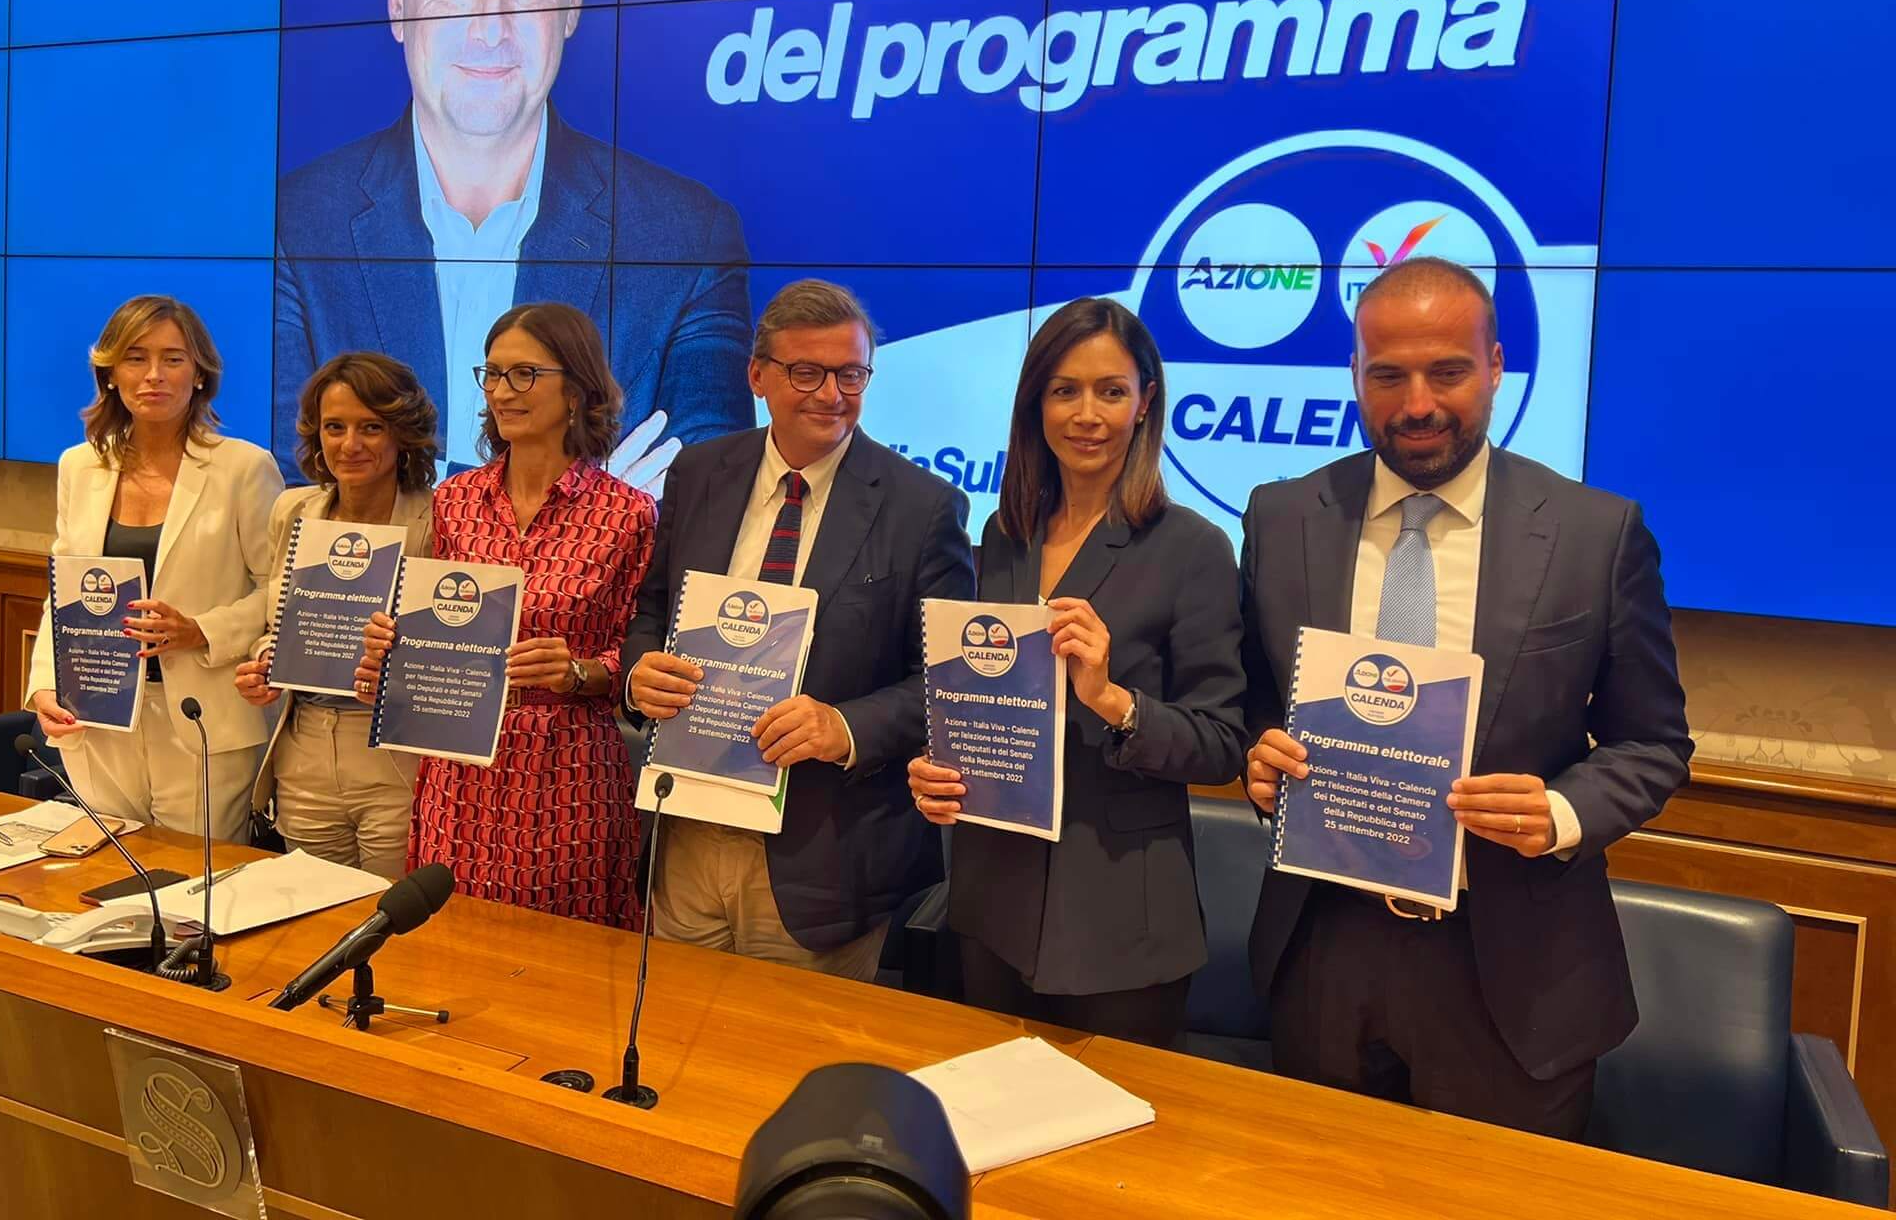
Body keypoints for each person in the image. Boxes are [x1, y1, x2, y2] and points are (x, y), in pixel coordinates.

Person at [1240, 256, 1691, 1138]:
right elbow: (1260, 699)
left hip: (1515, 968)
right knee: (1316, 1188)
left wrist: (1560, 811)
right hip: (1324, 950)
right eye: (1388, 375)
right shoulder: (1282, 516)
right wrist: (1260, 757)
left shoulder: (1595, 533)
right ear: (1355, 375)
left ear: (1494, 366)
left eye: (1446, 371)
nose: (1417, 403)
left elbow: (1654, 743)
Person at [276, 0, 752, 492]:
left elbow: (703, 498)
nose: (490, 25)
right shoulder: (290, 224)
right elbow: (291, 489)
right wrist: (585, 503)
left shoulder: (688, 240)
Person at [906, 298, 1247, 1048]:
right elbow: (984, 696)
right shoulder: (1004, 534)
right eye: (1065, 391)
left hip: (1121, 918)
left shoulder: (1193, 547)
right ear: (1036, 403)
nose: (1087, 415)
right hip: (993, 904)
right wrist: (942, 763)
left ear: (1144, 402)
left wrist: (1113, 699)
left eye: (1110, 391)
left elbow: (1223, 744)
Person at [622, 280, 975, 980]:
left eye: (851, 374)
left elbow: (947, 684)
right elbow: (653, 611)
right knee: (674, 1037)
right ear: (757, 376)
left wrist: (845, 727)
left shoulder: (924, 507)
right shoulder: (699, 472)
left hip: (824, 860)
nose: (831, 395)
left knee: (797, 1052)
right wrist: (639, 673)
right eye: (807, 372)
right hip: (687, 836)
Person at [356, 303, 655, 925]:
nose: (500, 392)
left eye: (524, 374)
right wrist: (392, 650)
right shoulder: (454, 499)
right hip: (458, 776)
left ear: (576, 389)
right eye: (492, 374)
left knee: (561, 960)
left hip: (568, 775)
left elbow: (637, 656)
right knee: (449, 945)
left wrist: (578, 672)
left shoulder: (628, 514)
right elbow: (434, 624)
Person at [25, 296, 283, 841]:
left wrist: (200, 630)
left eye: (173, 359)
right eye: (136, 358)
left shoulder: (244, 468)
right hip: (99, 710)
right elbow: (63, 589)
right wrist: (45, 685)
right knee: (106, 869)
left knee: (197, 882)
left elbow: (278, 590)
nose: (154, 375)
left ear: (199, 374)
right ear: (110, 373)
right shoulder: (79, 466)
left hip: (202, 716)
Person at [235, 353, 438, 879]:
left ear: (402, 433)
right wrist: (267, 662)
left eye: (371, 427)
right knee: (316, 911)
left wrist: (396, 668)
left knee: (393, 915)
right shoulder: (294, 510)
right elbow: (275, 625)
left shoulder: (435, 520)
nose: (350, 445)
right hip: (303, 747)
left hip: (394, 753)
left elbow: (450, 655)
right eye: (334, 427)